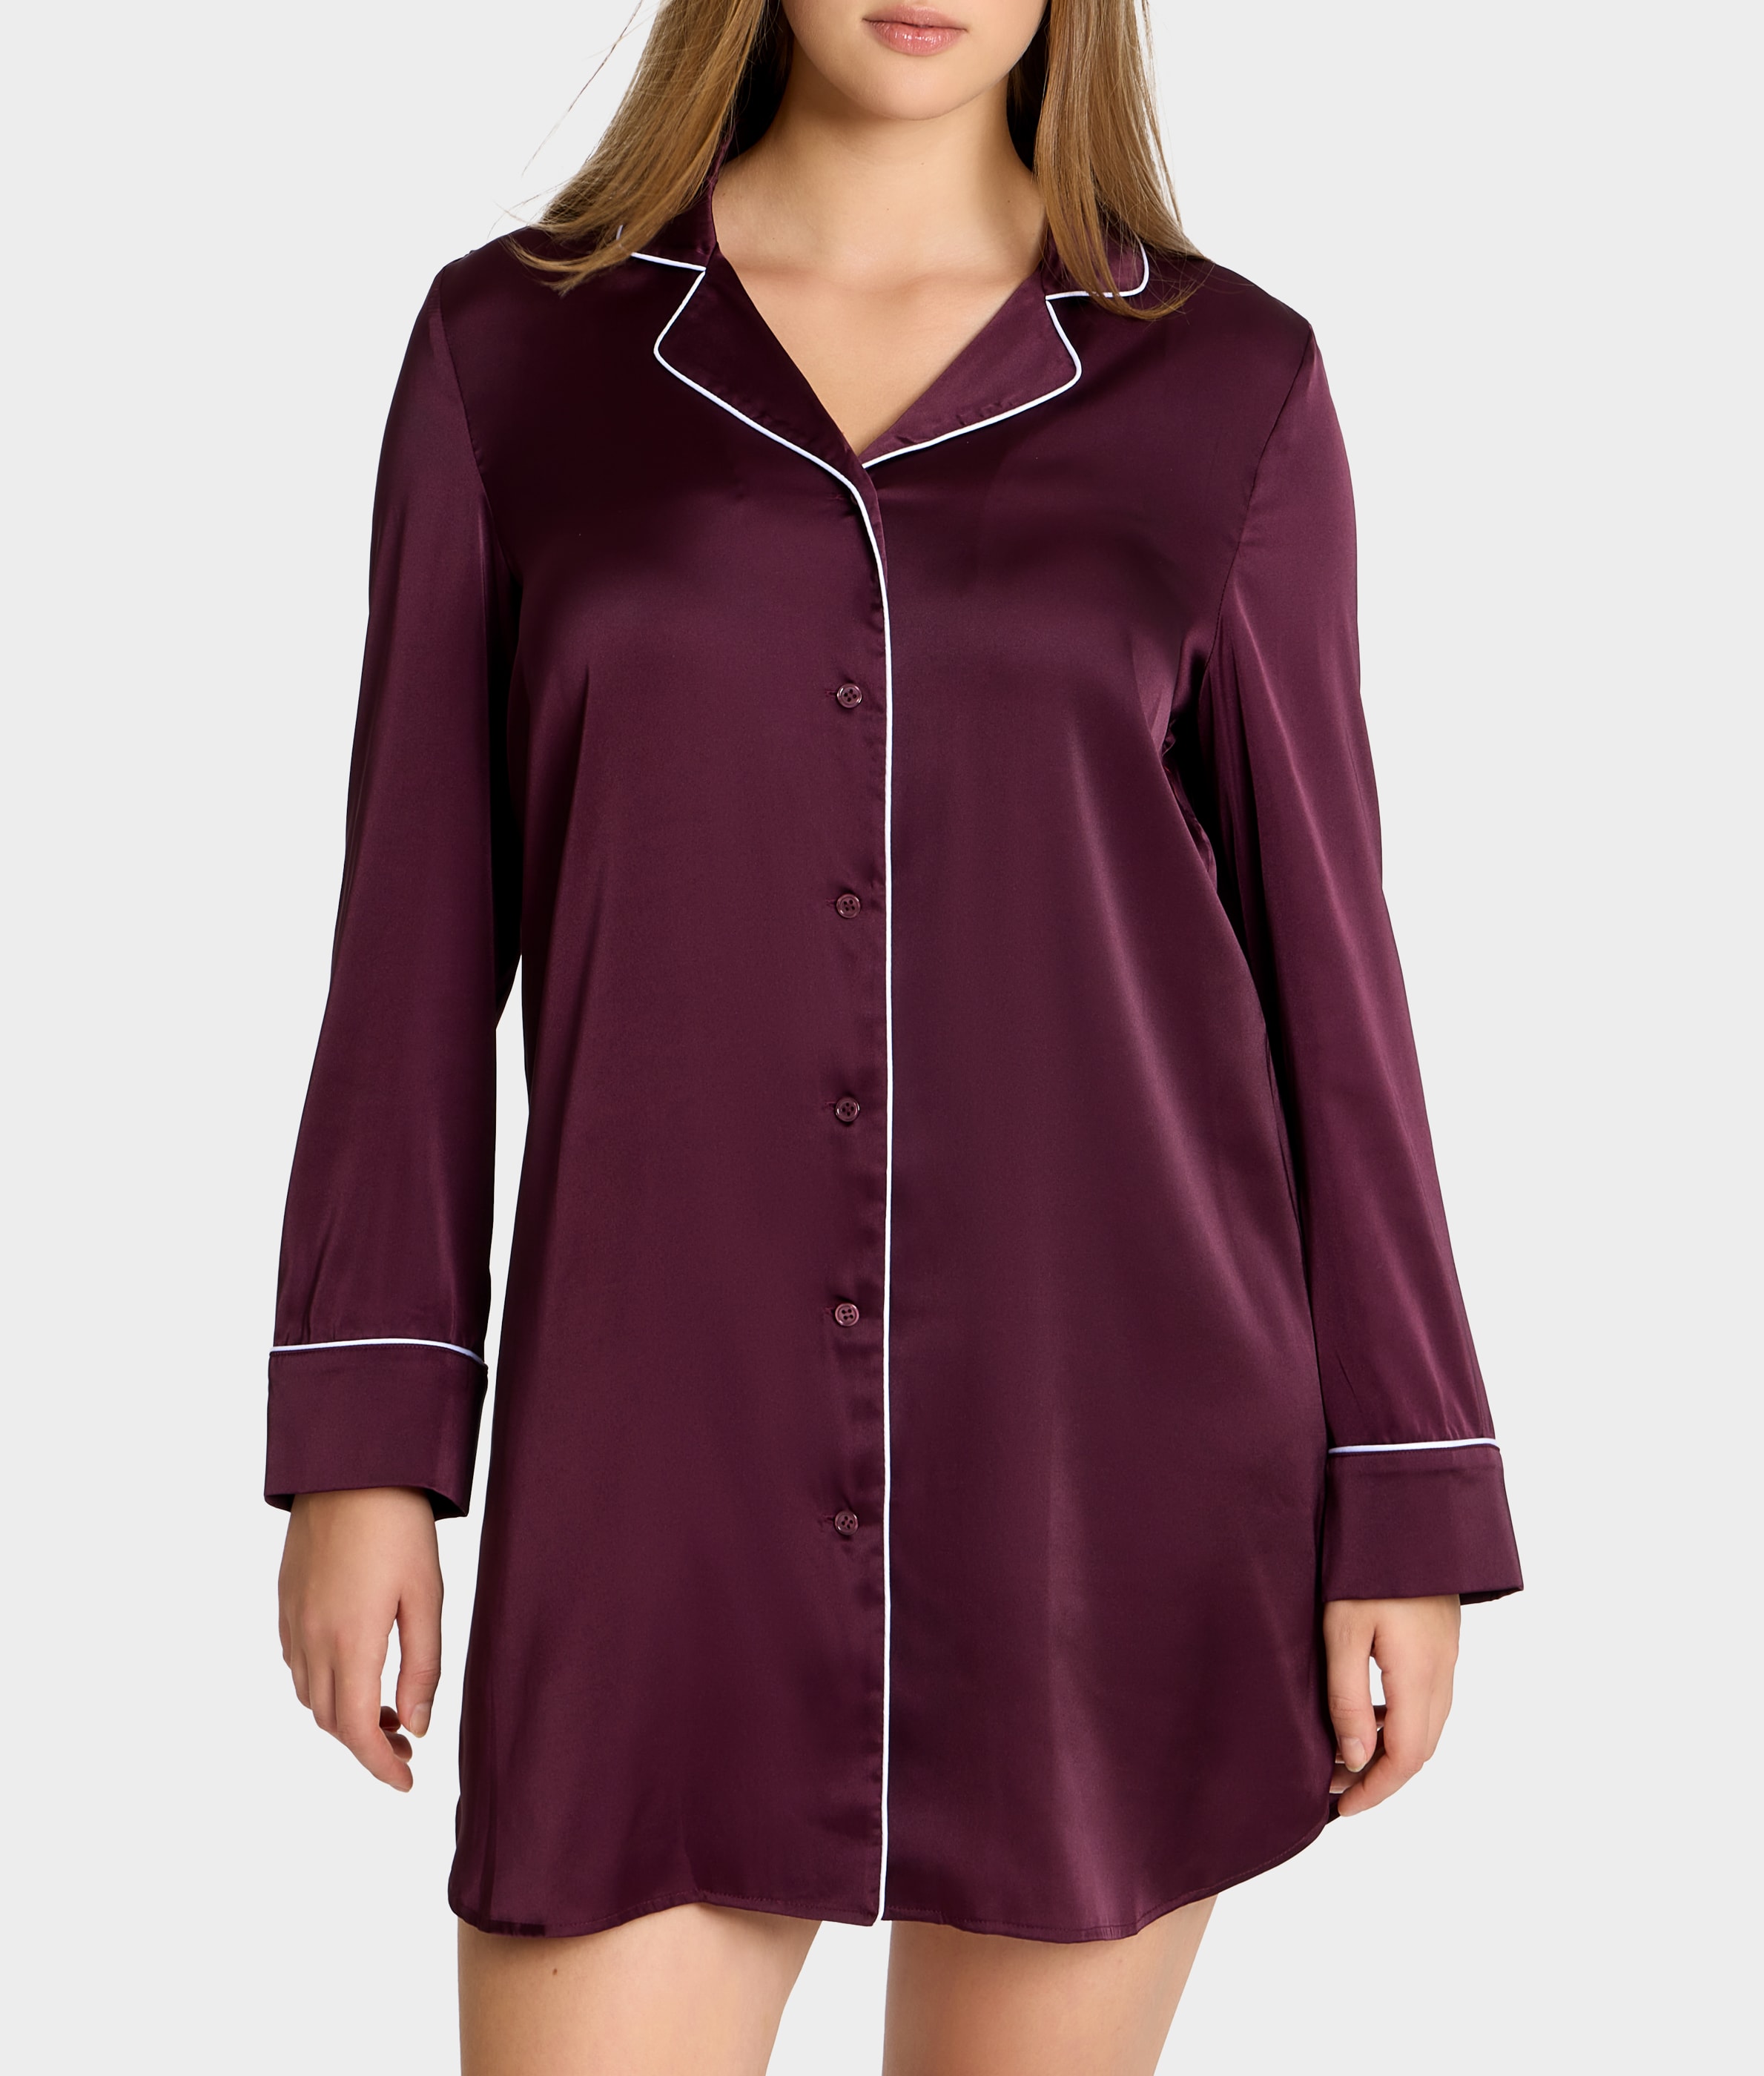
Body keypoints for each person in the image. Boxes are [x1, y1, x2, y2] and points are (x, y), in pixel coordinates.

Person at [268, 0, 1523, 2068]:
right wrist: (364, 1450)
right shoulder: (517, 355)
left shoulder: (1227, 382)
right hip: (648, 1468)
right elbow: (406, 941)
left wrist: (1406, 1487)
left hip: (1108, 1461)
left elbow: (1333, 980)